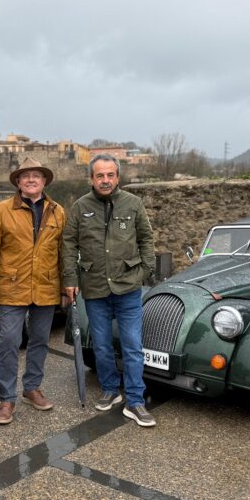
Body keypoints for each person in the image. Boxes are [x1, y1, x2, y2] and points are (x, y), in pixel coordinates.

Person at [62, 153, 157, 427]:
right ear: (92, 178)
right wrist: (70, 279)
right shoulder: (80, 208)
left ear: (118, 177)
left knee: (132, 346)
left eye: (110, 175)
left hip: (128, 288)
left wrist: (145, 271)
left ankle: (136, 401)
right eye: (100, 175)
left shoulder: (133, 203)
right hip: (95, 288)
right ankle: (110, 390)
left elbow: (146, 239)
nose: (105, 180)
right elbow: (69, 246)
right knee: (101, 346)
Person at [0, 157, 67, 425]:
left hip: (46, 286)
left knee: (40, 340)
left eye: (36, 175)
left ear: (44, 181)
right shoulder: (1, 211)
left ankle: (31, 388)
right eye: (25, 175)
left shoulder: (57, 211)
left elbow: (64, 253)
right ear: (18, 182)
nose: (31, 179)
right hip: (12, 287)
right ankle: (7, 399)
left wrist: (66, 287)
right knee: (9, 342)